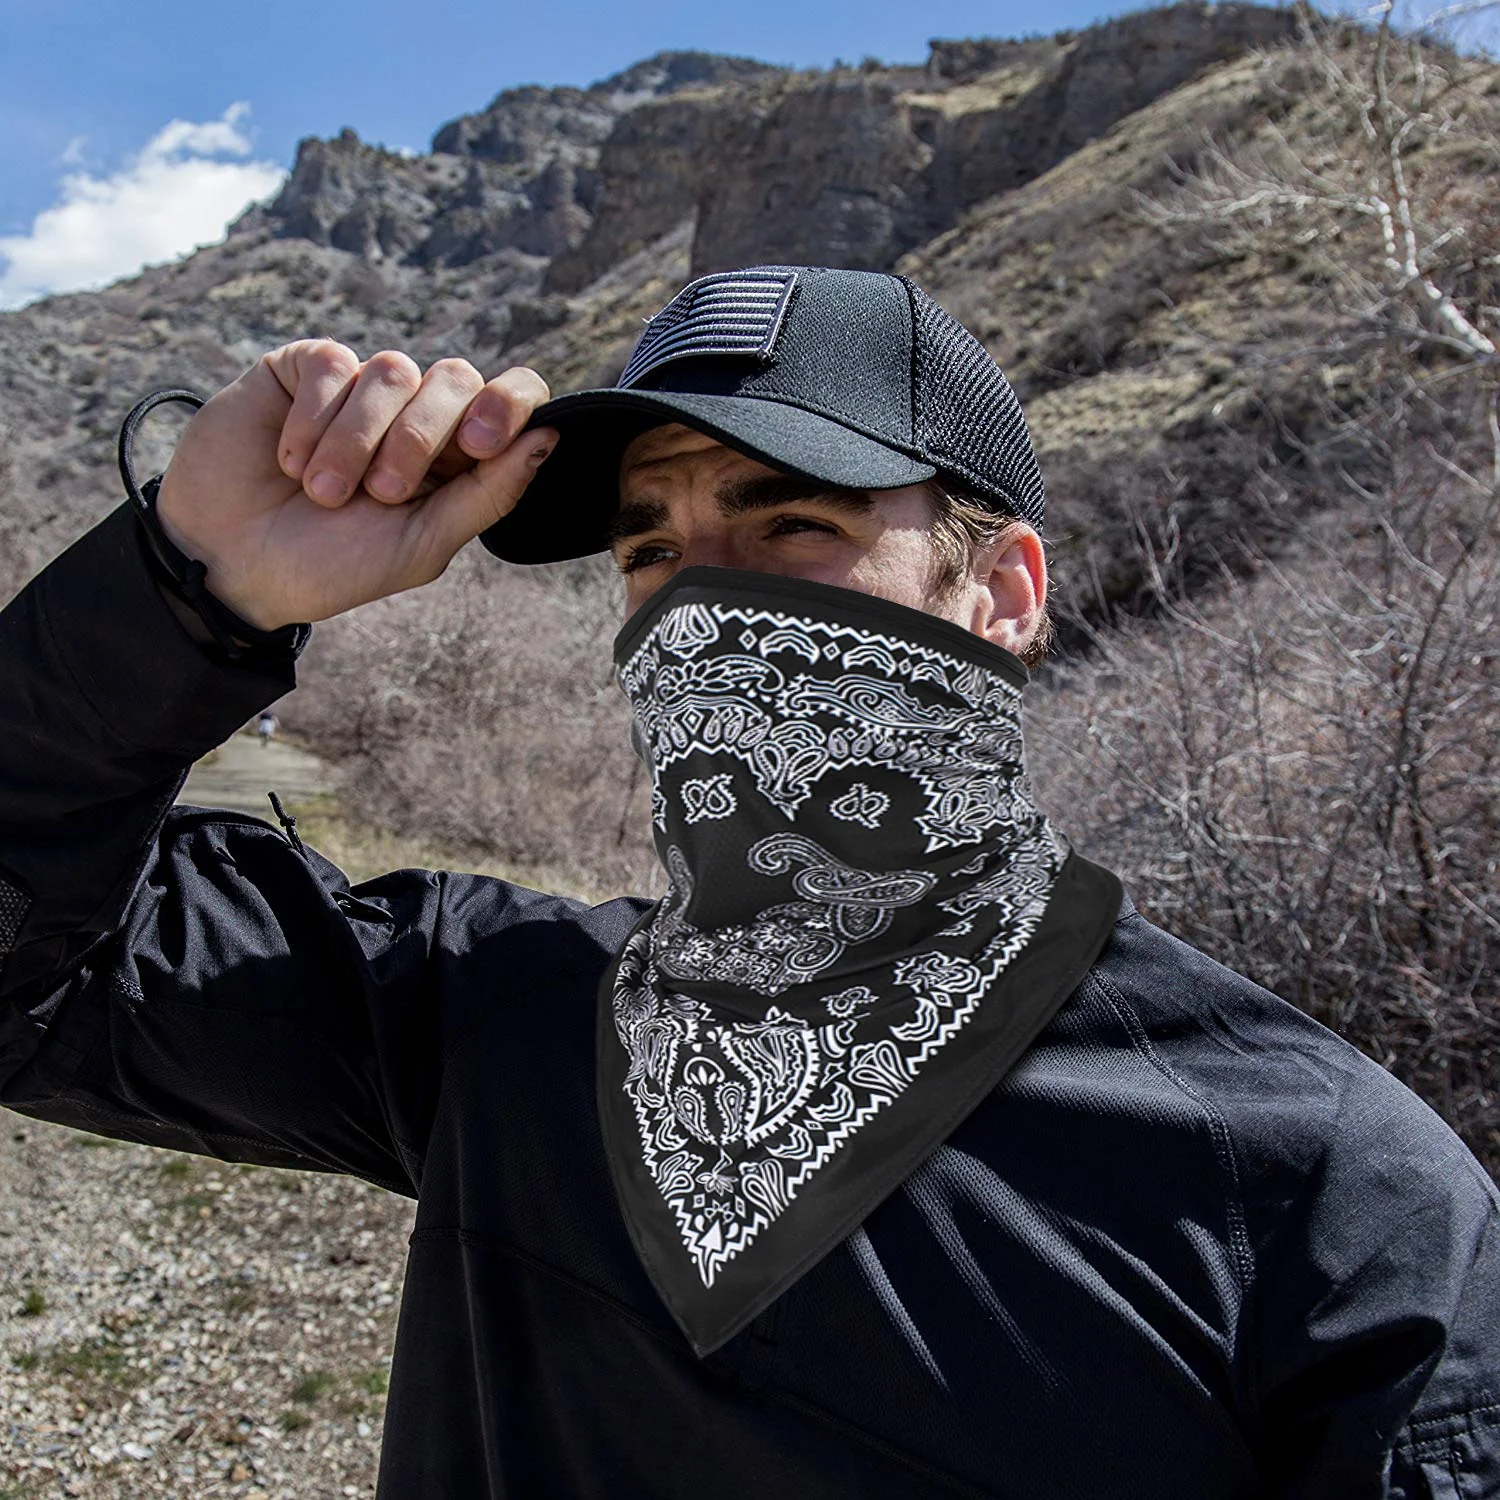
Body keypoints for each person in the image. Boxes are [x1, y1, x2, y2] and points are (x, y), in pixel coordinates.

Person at [0, 265, 1495, 1499]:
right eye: (651, 549)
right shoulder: (494, 1015)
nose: (704, 600)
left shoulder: (1325, 1193)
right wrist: (191, 586)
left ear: (1002, 592)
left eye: (793, 523)